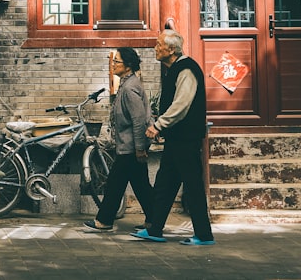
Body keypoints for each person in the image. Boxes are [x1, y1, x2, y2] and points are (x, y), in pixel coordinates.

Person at [131, 29, 216, 246]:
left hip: (186, 140)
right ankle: (155, 230)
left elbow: (181, 105)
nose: (155, 48)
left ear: (171, 49)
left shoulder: (186, 69)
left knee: (193, 186)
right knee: (164, 184)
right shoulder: (173, 69)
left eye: (159, 45)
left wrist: (159, 125)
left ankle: (204, 235)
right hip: (176, 139)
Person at [83, 47, 155, 232]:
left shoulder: (130, 88)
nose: (113, 65)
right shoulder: (128, 83)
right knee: (140, 186)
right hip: (128, 146)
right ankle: (154, 220)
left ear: (128, 65)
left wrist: (139, 148)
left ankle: (104, 220)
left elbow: (138, 121)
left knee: (116, 184)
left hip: (131, 147)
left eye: (117, 62)